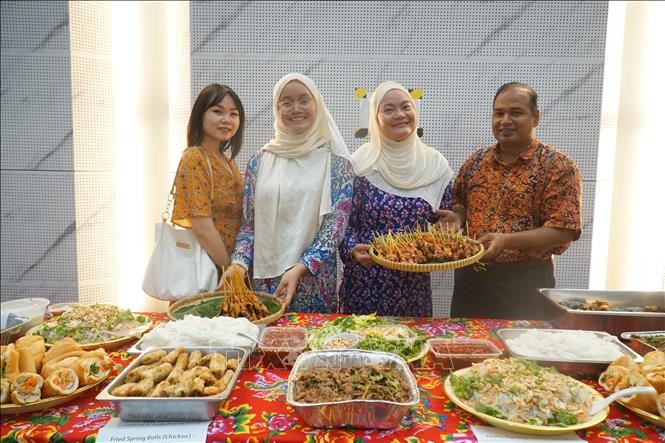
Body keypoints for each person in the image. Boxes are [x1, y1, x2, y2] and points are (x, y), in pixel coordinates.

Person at [440, 82, 582, 320]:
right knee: (466, 346)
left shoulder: (558, 167)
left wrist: (507, 241)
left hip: (525, 282)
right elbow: (461, 203)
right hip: (471, 280)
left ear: (535, 117)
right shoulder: (476, 162)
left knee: (524, 350)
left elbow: (563, 230)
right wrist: (458, 217)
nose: (505, 120)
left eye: (516, 112)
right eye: (498, 113)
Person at [221, 73, 354, 313]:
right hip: (264, 282)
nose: (296, 109)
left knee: (311, 343)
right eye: (286, 102)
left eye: (304, 100)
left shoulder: (337, 164)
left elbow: (334, 229)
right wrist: (239, 262)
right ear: (277, 108)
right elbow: (249, 225)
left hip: (313, 281)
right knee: (268, 346)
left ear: (317, 104)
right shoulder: (258, 162)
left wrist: (300, 267)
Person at [339, 80, 455, 317]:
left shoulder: (435, 165)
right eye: (388, 109)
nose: (400, 115)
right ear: (375, 117)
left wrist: (451, 226)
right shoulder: (361, 164)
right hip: (364, 283)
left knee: (409, 346)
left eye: (406, 107)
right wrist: (352, 250)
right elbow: (341, 223)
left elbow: (446, 222)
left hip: (413, 288)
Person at [172, 83, 245, 275]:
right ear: (200, 115)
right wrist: (228, 268)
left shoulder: (228, 162)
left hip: (230, 268)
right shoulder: (194, 158)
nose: (226, 120)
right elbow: (201, 226)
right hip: (207, 270)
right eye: (217, 111)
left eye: (233, 114)